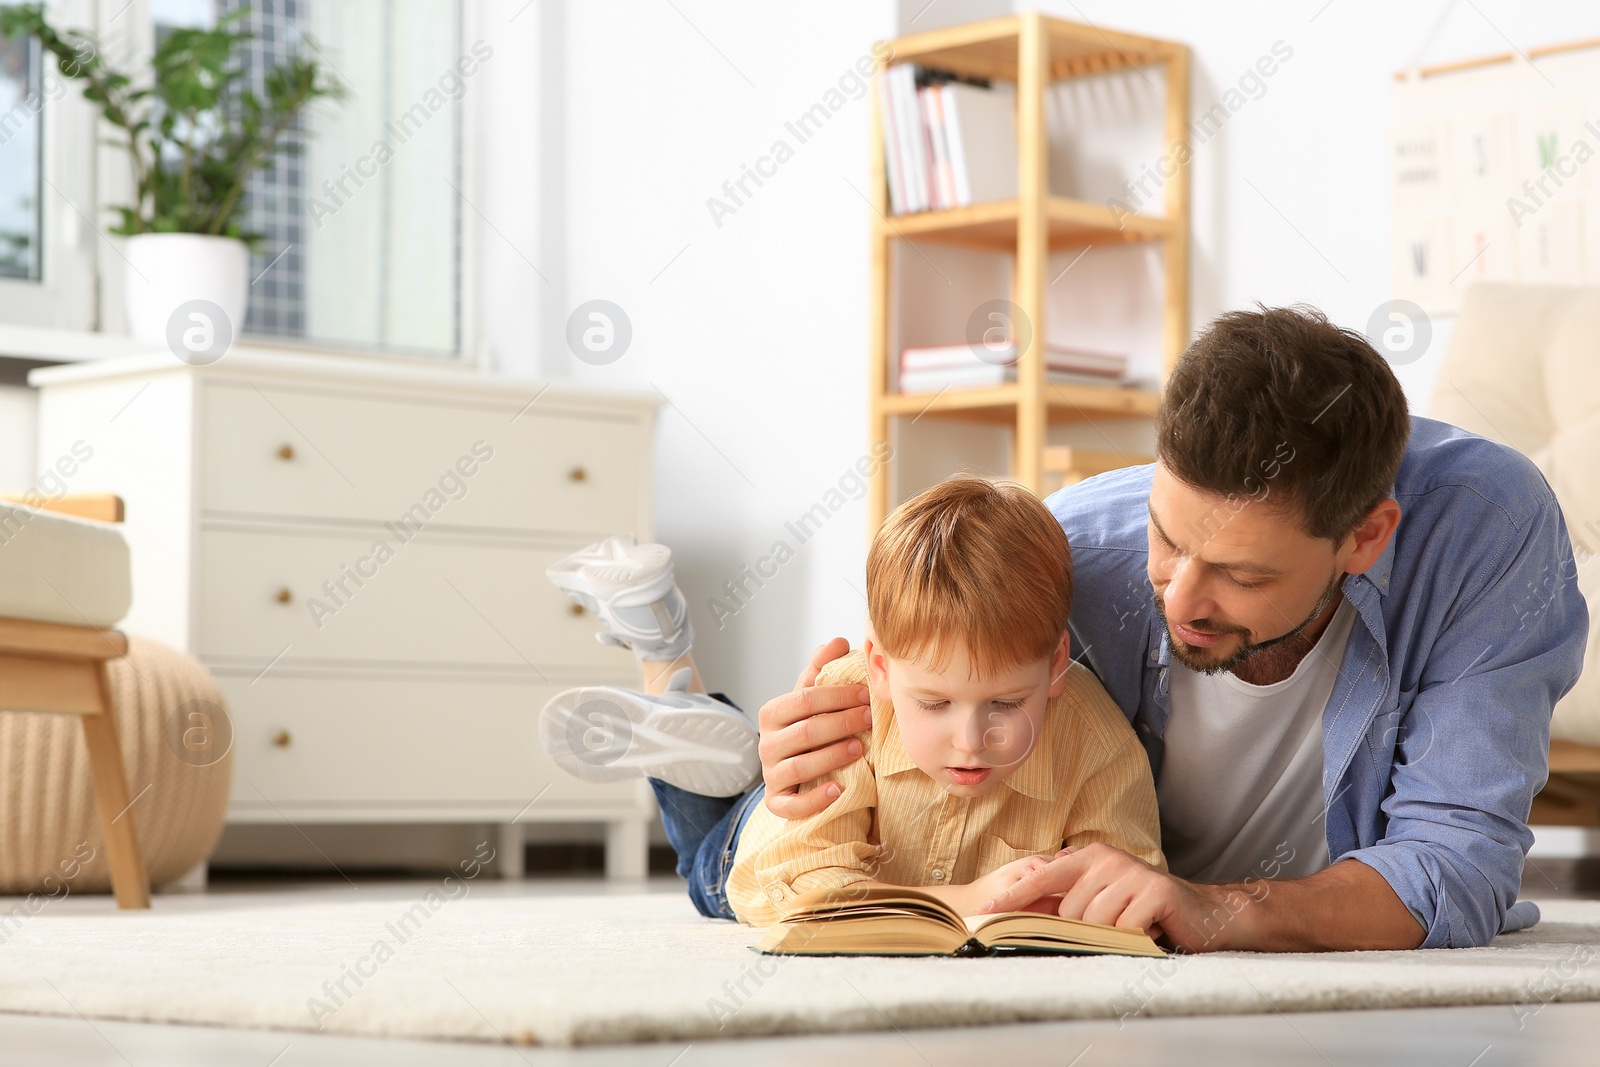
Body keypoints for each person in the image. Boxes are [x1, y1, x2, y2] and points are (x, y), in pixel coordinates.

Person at [756, 306, 1589, 952]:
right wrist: (812, 746)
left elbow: (1454, 867)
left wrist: (1215, 908)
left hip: (1175, 889)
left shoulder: (1485, 530)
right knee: (733, 834)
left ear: (1365, 537)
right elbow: (930, 691)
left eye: (1242, 573)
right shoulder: (1081, 545)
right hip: (903, 826)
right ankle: (704, 731)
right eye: (1167, 536)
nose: (1180, 597)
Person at [537, 477, 1164, 925]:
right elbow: (787, 890)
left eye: (1004, 704)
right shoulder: (850, 700)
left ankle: (665, 654)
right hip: (764, 839)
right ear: (882, 669)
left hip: (839, 831)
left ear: (1056, 665)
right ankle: (664, 658)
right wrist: (965, 901)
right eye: (936, 705)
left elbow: (1125, 888)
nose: (970, 739)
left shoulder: (1099, 742)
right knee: (706, 867)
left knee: (717, 794)